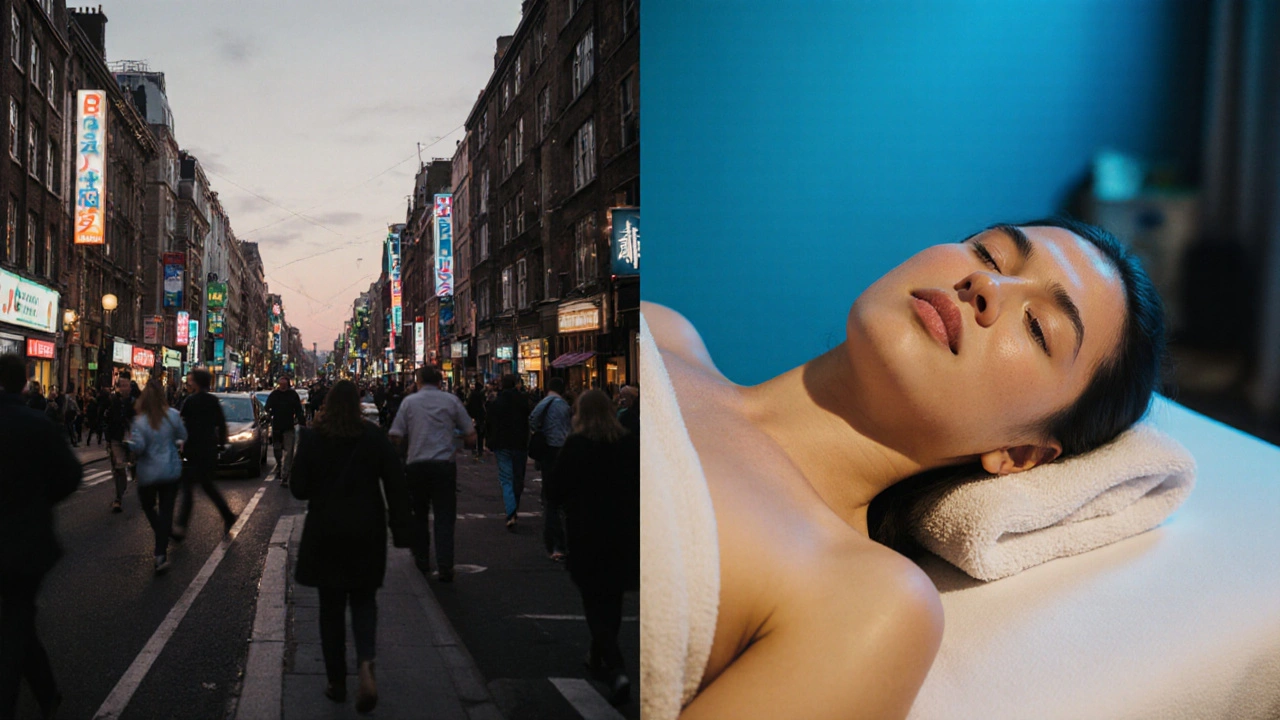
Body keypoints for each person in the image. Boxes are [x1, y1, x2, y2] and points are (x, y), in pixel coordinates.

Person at [641, 217, 1166, 719]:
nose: (985, 283)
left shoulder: (866, 603)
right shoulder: (660, 331)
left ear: (1020, 454)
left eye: (1037, 328)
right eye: (989, 253)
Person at [289, 379, 414, 713]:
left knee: (330, 608)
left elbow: (299, 488)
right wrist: (402, 529)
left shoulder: (313, 438)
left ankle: (337, 681)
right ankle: (366, 663)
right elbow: (396, 482)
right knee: (364, 601)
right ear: (358, 405)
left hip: (325, 531)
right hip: (366, 530)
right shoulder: (372, 436)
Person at [0, 354, 81, 720]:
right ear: (23, 384)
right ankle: (45, 694)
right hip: (27, 541)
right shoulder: (38, 424)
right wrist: (39, 501)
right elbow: (70, 475)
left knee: (14, 622)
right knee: (17, 621)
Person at [546, 389, 640, 706]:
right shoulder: (628, 444)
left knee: (594, 601)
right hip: (624, 532)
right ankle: (598, 656)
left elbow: (554, 490)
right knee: (612, 598)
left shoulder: (577, 446)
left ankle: (615, 667)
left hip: (587, 532)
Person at [388, 366, 476, 582]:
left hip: (416, 465)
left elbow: (396, 434)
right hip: (443, 465)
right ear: (439, 382)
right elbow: (470, 434)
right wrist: (458, 441)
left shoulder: (409, 402)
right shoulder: (451, 401)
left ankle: (422, 560)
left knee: (419, 515)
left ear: (418, 382)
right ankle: (445, 565)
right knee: (444, 516)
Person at [126, 380, 187, 574]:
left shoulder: (140, 421)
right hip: (170, 469)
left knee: (148, 506)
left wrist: (129, 443)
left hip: (148, 472)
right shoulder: (173, 415)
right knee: (166, 511)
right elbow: (183, 435)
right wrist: (174, 442)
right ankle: (160, 555)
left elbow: (139, 447)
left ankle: (162, 531)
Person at [174, 368, 237, 539]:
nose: (189, 382)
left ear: (197, 382)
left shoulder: (190, 401)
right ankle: (227, 515)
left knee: (189, 487)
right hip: (208, 448)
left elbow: (181, 423)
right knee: (207, 486)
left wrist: (179, 441)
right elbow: (221, 424)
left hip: (193, 448)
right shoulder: (212, 401)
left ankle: (181, 526)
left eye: (192, 380)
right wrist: (222, 444)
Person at [529, 377, 573, 561]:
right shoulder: (564, 405)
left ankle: (554, 542)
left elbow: (532, 419)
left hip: (549, 449)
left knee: (551, 496)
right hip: (562, 447)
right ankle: (561, 542)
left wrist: (541, 431)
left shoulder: (545, 402)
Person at [485, 374, 531, 530]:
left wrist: (489, 442)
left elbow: (490, 423)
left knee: (506, 478)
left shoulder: (496, 402)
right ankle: (514, 506)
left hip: (502, 444)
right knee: (518, 477)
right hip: (520, 444)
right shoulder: (523, 400)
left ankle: (511, 511)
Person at [103, 373, 138, 513]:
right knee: (118, 468)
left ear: (130, 387)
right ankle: (118, 498)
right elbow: (107, 420)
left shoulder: (135, 402)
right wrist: (108, 439)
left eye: (126, 385)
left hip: (132, 439)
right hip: (116, 438)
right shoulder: (113, 402)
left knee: (135, 465)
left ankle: (137, 476)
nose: (124, 388)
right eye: (121, 386)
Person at [264, 376, 307, 487]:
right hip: (277, 427)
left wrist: (301, 421)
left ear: (287, 384)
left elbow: (298, 409)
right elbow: (267, 407)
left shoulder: (292, 395)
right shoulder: (274, 395)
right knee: (277, 449)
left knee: (288, 452)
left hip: (288, 427)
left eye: (284, 384)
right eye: (281, 384)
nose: (282, 386)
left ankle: (285, 475)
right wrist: (268, 414)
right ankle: (280, 465)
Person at [465, 381, 488, 461]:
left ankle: (474, 448)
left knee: (474, 432)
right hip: (480, 417)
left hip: (473, 416)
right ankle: (480, 449)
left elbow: (468, 405)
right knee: (480, 434)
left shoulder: (472, 395)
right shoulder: (481, 396)